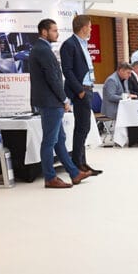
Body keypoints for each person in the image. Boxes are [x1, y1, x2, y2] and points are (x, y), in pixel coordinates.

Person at [28, 19, 92, 189]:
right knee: (50, 141)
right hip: (50, 102)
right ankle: (50, 177)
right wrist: (64, 99)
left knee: (59, 139)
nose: (57, 33)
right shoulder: (43, 50)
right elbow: (54, 79)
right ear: (44, 32)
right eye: (54, 30)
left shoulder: (42, 49)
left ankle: (74, 172)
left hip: (50, 101)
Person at [60, 14, 101, 176]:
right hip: (81, 91)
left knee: (85, 127)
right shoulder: (69, 45)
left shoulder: (83, 44)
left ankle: (82, 162)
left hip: (88, 88)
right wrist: (80, 90)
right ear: (84, 27)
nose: (91, 29)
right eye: (90, 26)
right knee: (82, 128)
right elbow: (67, 70)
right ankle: (78, 163)